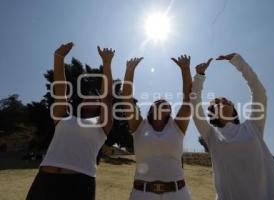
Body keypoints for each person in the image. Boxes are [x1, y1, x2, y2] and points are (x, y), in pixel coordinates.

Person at [191, 53, 274, 200]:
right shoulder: (211, 134)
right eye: (218, 103)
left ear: (233, 108)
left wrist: (237, 61)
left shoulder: (253, 125)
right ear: (213, 113)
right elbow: (195, 106)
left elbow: (259, 91)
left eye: (227, 101)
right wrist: (199, 76)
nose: (225, 103)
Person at [26, 42, 114, 200]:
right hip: (45, 180)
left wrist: (106, 64)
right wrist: (58, 58)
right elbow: (60, 90)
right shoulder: (64, 116)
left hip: (79, 183)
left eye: (95, 97)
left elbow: (107, 96)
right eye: (87, 96)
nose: (90, 97)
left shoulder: (102, 124)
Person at [122, 55, 192, 200]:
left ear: (170, 110)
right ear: (152, 109)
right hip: (142, 194)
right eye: (158, 101)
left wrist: (185, 70)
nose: (162, 101)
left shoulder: (177, 126)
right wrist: (129, 71)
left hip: (178, 194)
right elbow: (126, 100)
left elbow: (188, 100)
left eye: (165, 102)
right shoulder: (139, 126)